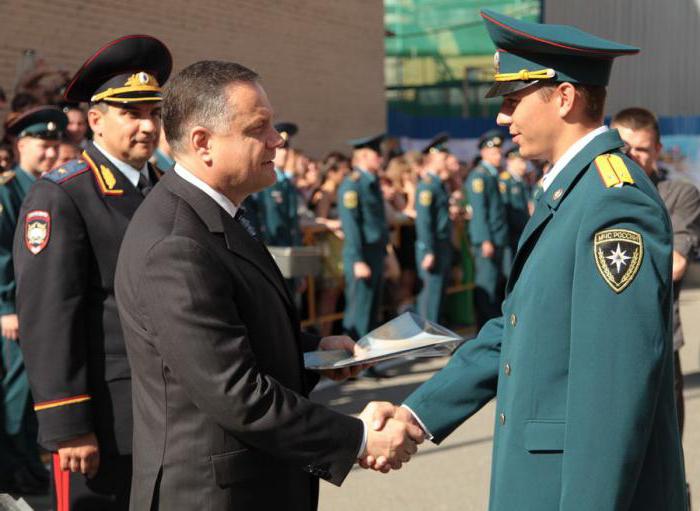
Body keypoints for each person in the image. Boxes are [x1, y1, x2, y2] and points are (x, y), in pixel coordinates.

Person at [367, 10, 688, 510]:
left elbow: (613, 389)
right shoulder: (572, 190)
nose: (501, 117)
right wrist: (418, 414)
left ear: (564, 97)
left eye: (513, 100)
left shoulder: (612, 200)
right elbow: (515, 328)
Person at [114, 60, 422, 510]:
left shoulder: (215, 215)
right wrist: (357, 438)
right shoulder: (176, 243)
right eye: (259, 128)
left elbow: (233, 330)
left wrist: (315, 353)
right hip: (211, 495)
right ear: (203, 143)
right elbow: (237, 394)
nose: (277, 139)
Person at [13, 35, 172, 510]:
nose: (146, 126)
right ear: (97, 121)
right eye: (132, 113)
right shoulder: (63, 195)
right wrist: (67, 424)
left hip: (169, 412)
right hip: (103, 420)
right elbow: (49, 316)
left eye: (153, 113)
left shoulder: (165, 190)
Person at [612, 107, 700, 506]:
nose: (633, 157)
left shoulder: (679, 194)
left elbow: (677, 263)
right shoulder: (598, 195)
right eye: (623, 147)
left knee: (665, 456)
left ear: (659, 149)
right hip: (604, 343)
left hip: (660, 340)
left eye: (642, 149)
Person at [0, 106, 66, 494]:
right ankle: (13, 467)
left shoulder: (51, 187)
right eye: (43, 145)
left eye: (55, 146)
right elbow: (2, 255)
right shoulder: (8, 190)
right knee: (17, 393)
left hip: (42, 310)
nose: (51, 153)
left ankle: (26, 463)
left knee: (34, 394)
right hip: (16, 313)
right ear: (22, 144)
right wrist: (5, 307)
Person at [337, 133, 389, 339]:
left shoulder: (371, 181)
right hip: (361, 253)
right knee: (359, 310)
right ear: (365, 156)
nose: (381, 159)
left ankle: (368, 362)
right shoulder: (353, 184)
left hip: (374, 251)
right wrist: (358, 260)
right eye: (377, 155)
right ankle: (352, 363)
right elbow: (351, 226)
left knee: (371, 309)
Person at [466, 129, 509, 328]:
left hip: (497, 238)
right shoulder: (479, 177)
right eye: (494, 152)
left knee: (495, 286)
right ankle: (484, 330)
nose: (498, 156)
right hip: (488, 240)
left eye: (499, 152)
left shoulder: (492, 175)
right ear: (483, 153)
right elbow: (480, 212)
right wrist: (485, 240)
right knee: (487, 286)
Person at [414, 133, 453, 322]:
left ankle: (434, 339)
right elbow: (424, 221)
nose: (446, 160)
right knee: (431, 298)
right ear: (432, 157)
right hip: (433, 246)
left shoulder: (438, 183)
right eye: (443, 157)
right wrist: (428, 250)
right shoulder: (427, 185)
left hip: (442, 244)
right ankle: (427, 341)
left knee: (439, 296)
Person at [499, 147, 531, 255]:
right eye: (520, 161)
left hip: (522, 230)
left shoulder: (521, 180)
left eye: (525, 161)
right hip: (512, 233)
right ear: (510, 161)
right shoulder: (505, 180)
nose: (524, 165)